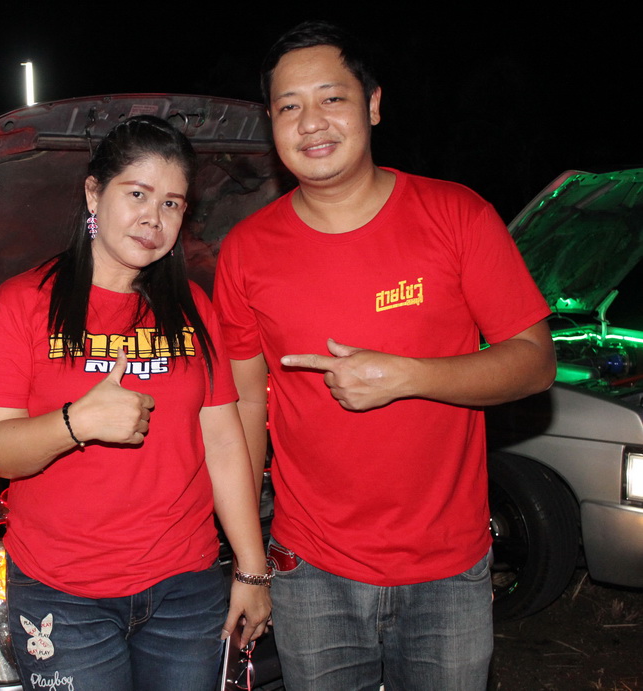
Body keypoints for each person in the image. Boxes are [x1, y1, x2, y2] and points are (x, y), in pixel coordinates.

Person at [212, 20, 557, 691]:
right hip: (309, 567)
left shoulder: (457, 215)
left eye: (331, 98)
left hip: (448, 569)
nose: (311, 122)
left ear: (372, 105)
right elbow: (245, 405)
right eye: (288, 106)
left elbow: (533, 360)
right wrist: (249, 564)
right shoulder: (246, 251)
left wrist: (408, 375)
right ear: (270, 123)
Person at [0, 115, 271, 691]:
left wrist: (252, 570)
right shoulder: (23, 302)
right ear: (93, 193)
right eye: (137, 194)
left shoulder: (193, 308)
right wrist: (75, 422)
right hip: (63, 593)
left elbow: (224, 443)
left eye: (172, 204)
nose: (153, 218)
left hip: (186, 587)